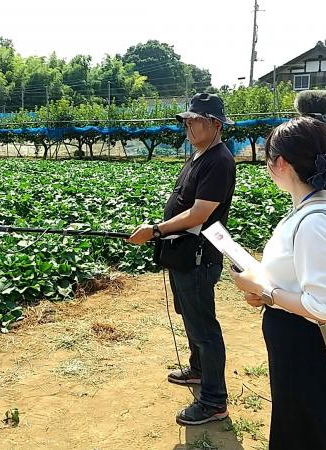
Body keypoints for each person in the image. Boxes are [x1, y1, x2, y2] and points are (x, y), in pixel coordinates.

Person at [230, 116, 326, 449]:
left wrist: (267, 290)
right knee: (297, 422)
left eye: (269, 161)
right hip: (295, 340)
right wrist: (266, 294)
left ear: (281, 163)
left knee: (312, 426)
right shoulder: (309, 209)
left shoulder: (315, 223)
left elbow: (324, 308)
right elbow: (300, 280)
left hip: (307, 344)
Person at [127, 93, 236, 425]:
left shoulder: (219, 160)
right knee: (191, 317)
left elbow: (200, 213)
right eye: (186, 120)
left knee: (204, 328)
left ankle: (215, 400)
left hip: (200, 256)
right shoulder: (199, 155)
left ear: (215, 124)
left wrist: (157, 230)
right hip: (183, 254)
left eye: (195, 120)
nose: (188, 125)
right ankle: (198, 370)